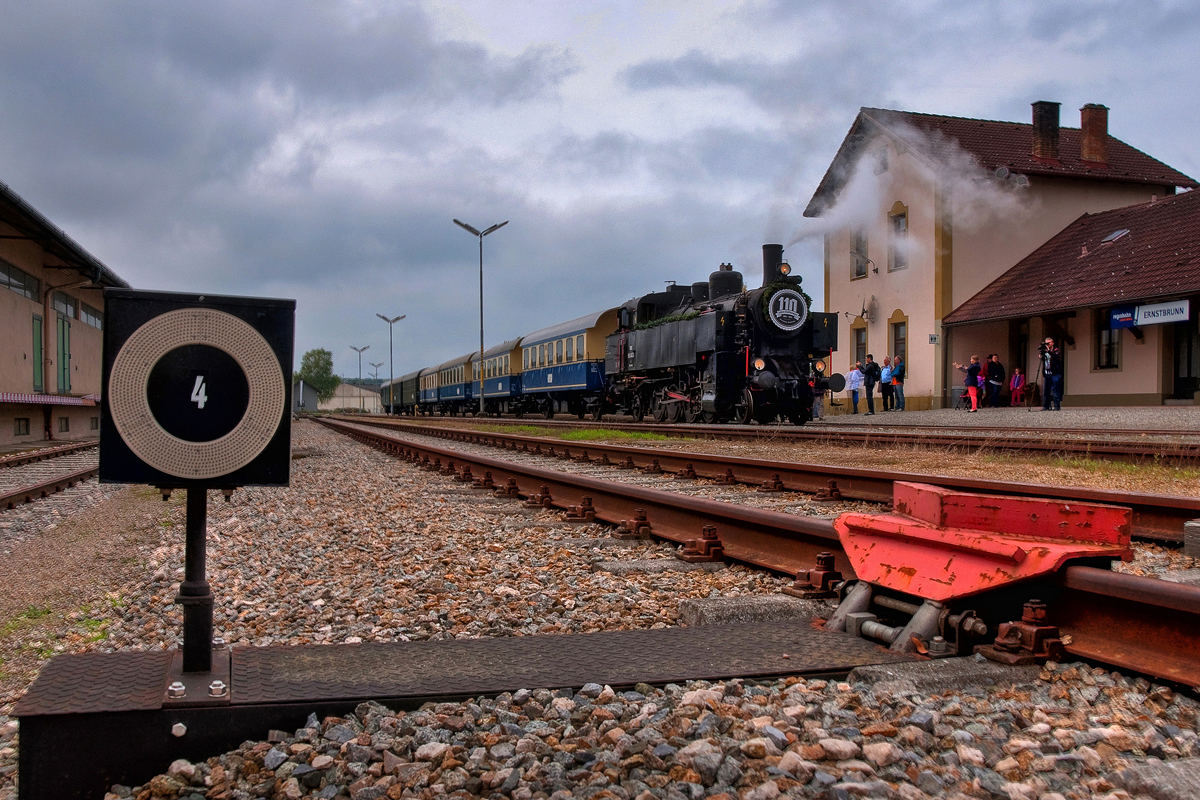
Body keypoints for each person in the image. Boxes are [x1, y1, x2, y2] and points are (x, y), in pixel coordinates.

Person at [1042, 338, 1063, 411]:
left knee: (1055, 390)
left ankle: (1057, 406)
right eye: (1046, 343)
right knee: (1046, 391)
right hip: (1047, 373)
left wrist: (1049, 351)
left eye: (1049, 343)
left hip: (1055, 373)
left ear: (1052, 343)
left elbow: (1056, 357)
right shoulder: (1044, 352)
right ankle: (1046, 406)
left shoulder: (1056, 350)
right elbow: (1044, 360)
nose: (1048, 344)